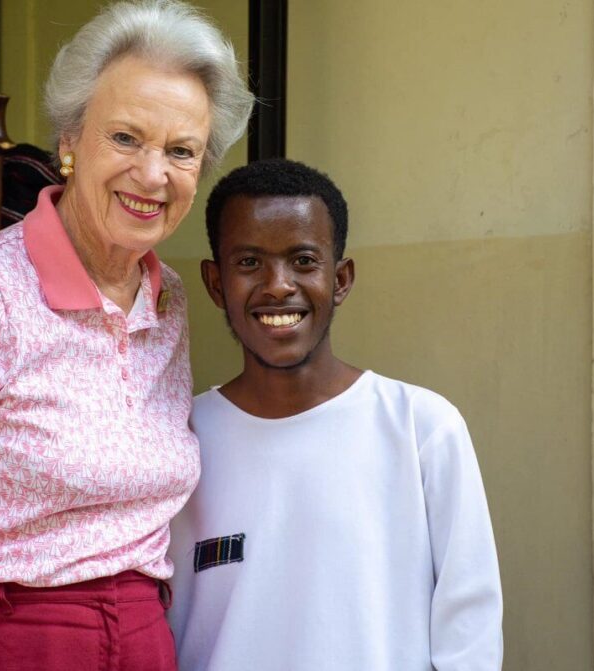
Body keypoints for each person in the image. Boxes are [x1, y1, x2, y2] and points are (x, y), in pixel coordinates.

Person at [0, 2, 254, 670]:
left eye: (180, 151)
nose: (152, 174)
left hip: (140, 640)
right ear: (70, 141)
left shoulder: (168, 300)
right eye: (126, 138)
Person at [167, 158, 505, 671]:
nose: (278, 285)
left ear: (341, 278)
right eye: (249, 263)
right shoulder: (176, 442)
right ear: (215, 284)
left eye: (303, 260)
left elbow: (470, 628)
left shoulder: (420, 427)